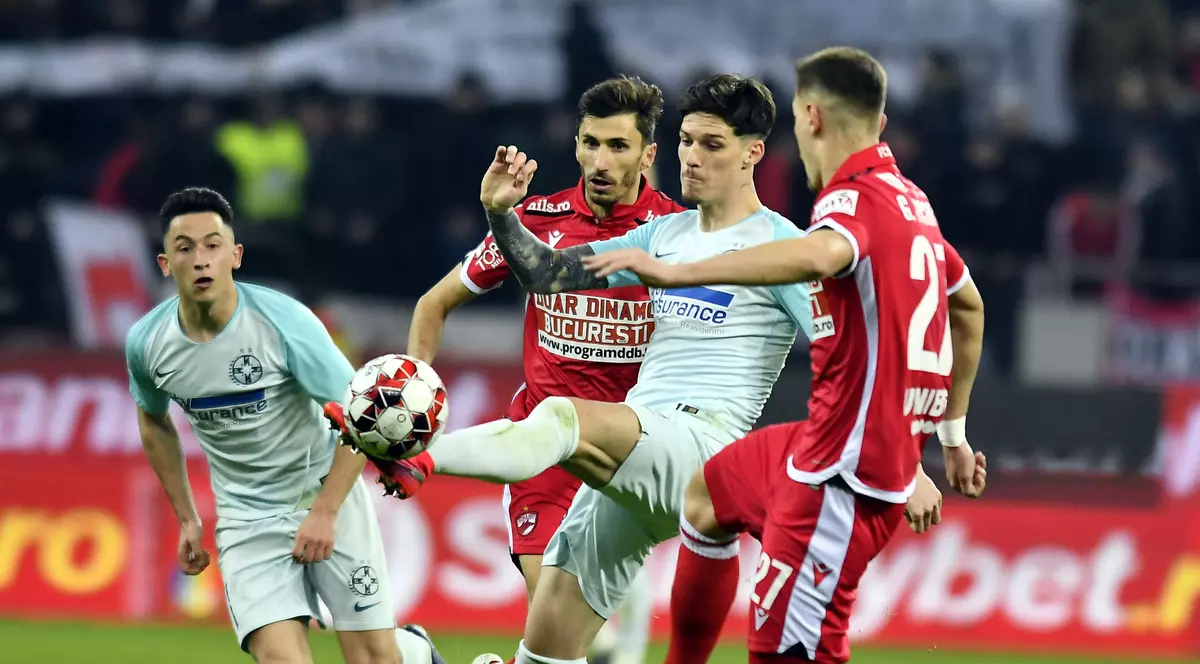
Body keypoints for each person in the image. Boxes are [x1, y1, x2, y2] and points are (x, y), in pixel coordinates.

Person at [329, 72, 822, 664]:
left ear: (753, 153)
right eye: (688, 141)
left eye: (711, 145)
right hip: (632, 458)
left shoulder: (787, 247)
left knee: (560, 416)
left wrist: (897, 453)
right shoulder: (662, 235)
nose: (693, 157)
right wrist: (500, 215)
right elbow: (545, 273)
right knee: (548, 650)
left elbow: (847, 354)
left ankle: (421, 459)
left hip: (702, 450)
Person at [583, 47, 988, 663]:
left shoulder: (846, 203)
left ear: (811, 118)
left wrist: (681, 272)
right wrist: (951, 435)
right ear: (878, 124)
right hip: (826, 441)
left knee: (785, 652)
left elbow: (820, 257)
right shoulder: (913, 203)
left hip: (845, 473)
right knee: (706, 496)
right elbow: (969, 307)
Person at [402, 75, 683, 664]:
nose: (600, 160)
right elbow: (434, 302)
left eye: (618, 146)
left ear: (648, 155)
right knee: (572, 641)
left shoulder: (677, 237)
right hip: (543, 454)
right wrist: (412, 390)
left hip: (624, 456)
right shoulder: (535, 219)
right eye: (590, 143)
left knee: (571, 649)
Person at [125, 187, 443, 664]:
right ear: (165, 264)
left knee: (375, 659)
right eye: (184, 248)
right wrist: (187, 517)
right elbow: (153, 422)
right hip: (246, 520)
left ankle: (413, 650)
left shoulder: (285, 323)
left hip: (323, 493)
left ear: (235, 255)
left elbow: (361, 415)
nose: (200, 260)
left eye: (213, 245)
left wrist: (326, 512)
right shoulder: (148, 343)